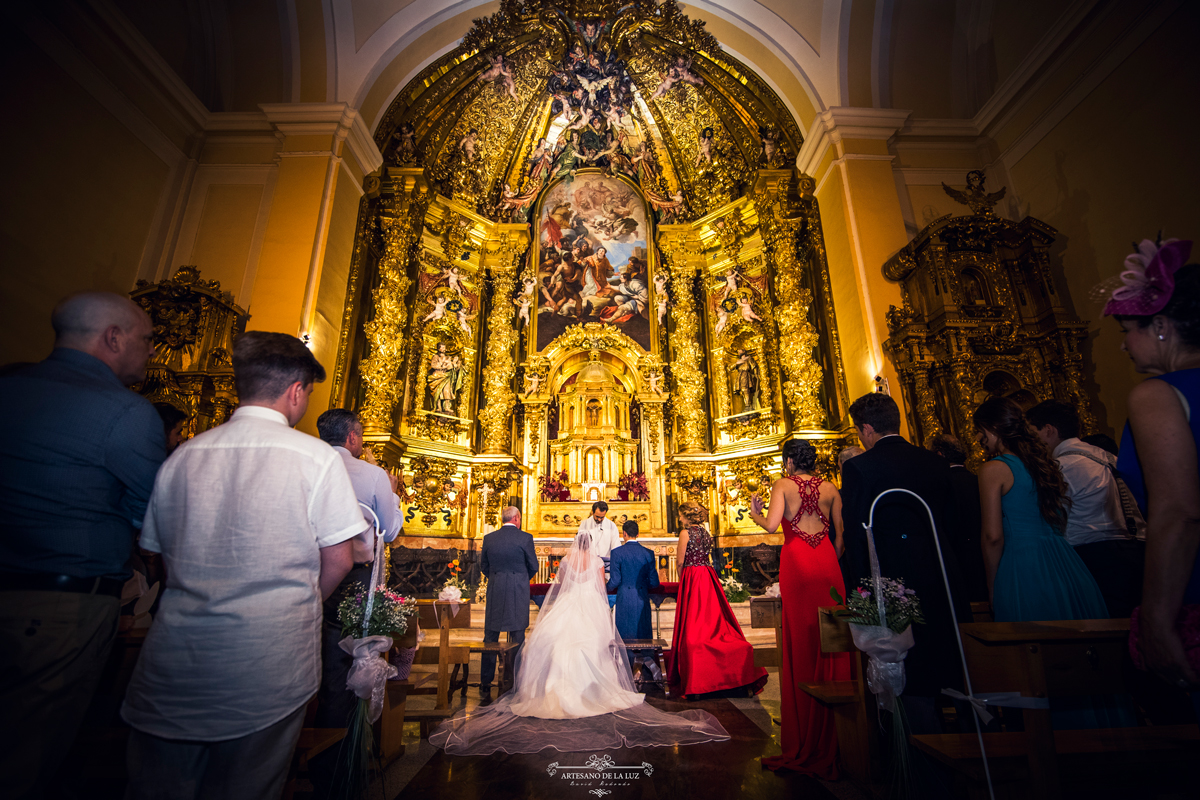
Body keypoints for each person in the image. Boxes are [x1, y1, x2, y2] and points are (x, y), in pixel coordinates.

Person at [121, 332, 367, 800]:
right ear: (297, 391)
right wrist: (296, 606)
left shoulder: (184, 456)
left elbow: (155, 553)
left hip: (175, 657)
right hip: (266, 660)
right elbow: (339, 557)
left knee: (160, 785)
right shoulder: (314, 457)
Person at [0, 292, 163, 800]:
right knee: (28, 751)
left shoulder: (8, 384)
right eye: (147, 339)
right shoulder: (125, 411)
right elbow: (154, 513)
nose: (153, 352)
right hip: (60, 604)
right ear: (112, 337)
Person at [429, 527, 729, 755]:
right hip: (590, 607)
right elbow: (601, 587)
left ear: (575, 543)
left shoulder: (567, 560)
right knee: (593, 645)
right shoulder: (598, 560)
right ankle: (593, 689)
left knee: (555, 643)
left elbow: (559, 585)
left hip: (568, 603)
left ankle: (550, 690)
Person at [975, 395, 1132, 728]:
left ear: (992, 428)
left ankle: (1045, 750)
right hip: (1067, 566)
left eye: (980, 431)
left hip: (1024, 568)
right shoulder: (1044, 465)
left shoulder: (994, 469)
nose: (978, 439)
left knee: (1035, 669)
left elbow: (992, 536)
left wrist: (992, 583)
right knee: (1080, 664)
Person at [1103, 240, 1200, 709]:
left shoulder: (1157, 396)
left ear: (1161, 326)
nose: (1123, 343)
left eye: (1128, 330)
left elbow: (1179, 512)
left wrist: (1158, 621)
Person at [840, 392, 970, 734]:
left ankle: (918, 753)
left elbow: (857, 534)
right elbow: (952, 523)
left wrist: (860, 593)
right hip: (942, 575)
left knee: (908, 673)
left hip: (893, 581)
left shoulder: (859, 467)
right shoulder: (935, 463)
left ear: (867, 429)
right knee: (949, 660)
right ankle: (964, 736)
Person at [310, 408, 403, 796]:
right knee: (347, 662)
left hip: (299, 575)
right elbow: (392, 529)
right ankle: (340, 764)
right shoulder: (370, 474)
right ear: (352, 438)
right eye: (361, 436)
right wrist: (393, 492)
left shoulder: (304, 463)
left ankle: (305, 753)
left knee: (309, 658)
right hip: (352, 580)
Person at [748, 439, 850, 777]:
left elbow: (772, 525)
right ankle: (842, 731)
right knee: (834, 636)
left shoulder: (783, 485)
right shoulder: (832, 487)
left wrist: (755, 513)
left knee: (802, 638)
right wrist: (828, 561)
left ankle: (807, 724)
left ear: (790, 461)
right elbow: (840, 537)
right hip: (827, 563)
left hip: (798, 563)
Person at [1026, 399, 1145, 617]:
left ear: (1049, 430)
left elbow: (1054, 519)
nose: (1032, 441)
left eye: (1034, 433)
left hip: (1093, 555)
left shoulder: (1062, 466)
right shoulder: (1109, 457)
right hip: (1136, 549)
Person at [668, 501, 768, 698]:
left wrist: (683, 582)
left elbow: (680, 562)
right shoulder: (706, 533)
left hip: (693, 576)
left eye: (680, 515)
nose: (679, 519)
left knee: (694, 622)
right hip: (707, 575)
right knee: (713, 615)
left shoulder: (685, 533)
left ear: (687, 516)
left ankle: (698, 680)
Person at [479, 506, 539, 701]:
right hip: (518, 590)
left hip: (496, 588)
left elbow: (484, 567)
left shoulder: (489, 538)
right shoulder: (525, 538)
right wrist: (520, 578)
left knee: (491, 634)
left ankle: (486, 681)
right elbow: (534, 566)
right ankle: (515, 678)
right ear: (517, 518)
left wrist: (497, 578)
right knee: (517, 634)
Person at [928, 433, 989, 602]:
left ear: (939, 455)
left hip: (954, 563)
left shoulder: (939, 487)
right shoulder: (978, 481)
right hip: (983, 560)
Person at [606, 520, 662, 682]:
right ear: (638, 534)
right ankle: (647, 662)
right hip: (642, 597)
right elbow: (654, 582)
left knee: (625, 634)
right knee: (643, 631)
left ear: (624, 534)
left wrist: (603, 588)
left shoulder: (617, 553)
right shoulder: (648, 553)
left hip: (624, 598)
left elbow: (615, 581)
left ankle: (629, 667)